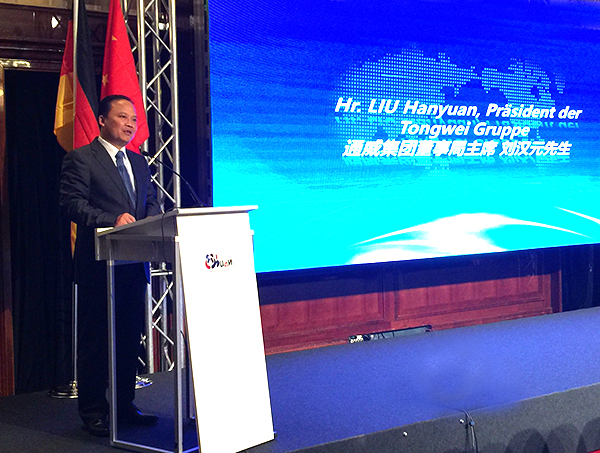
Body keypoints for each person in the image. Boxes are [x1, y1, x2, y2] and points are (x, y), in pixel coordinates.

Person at [60, 94, 162, 437]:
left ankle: (123, 404)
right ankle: (93, 410)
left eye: (133, 119)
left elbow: (150, 201)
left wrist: (150, 221)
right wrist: (112, 220)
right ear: (102, 120)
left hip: (133, 264)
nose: (130, 124)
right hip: (98, 266)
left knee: (129, 339)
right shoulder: (81, 159)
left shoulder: (139, 162)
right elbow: (72, 204)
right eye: (122, 117)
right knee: (96, 341)